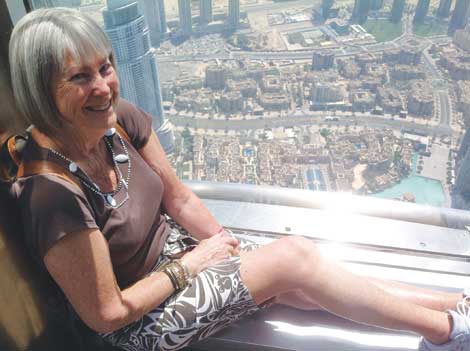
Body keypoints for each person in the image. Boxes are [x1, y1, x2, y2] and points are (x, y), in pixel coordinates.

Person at [8, 7, 469, 351]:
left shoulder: (117, 121)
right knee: (294, 256)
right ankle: (446, 335)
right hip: (137, 323)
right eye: (78, 77)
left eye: (105, 66)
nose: (103, 86)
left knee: (296, 275)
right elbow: (106, 315)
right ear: (42, 92)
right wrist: (195, 262)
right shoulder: (51, 193)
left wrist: (231, 249)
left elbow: (179, 197)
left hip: (176, 257)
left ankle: (454, 302)